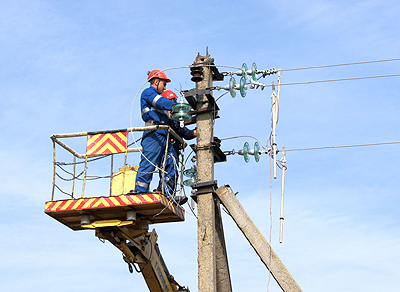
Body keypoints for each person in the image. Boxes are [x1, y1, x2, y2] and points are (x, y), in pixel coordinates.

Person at [133, 70, 175, 195]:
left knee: (170, 163)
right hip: (153, 134)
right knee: (149, 163)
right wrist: (175, 107)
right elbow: (160, 102)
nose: (165, 87)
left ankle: (166, 192)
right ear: (156, 82)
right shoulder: (148, 93)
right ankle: (141, 191)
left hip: (163, 134)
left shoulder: (161, 98)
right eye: (164, 84)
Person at [157, 90, 196, 204]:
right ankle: (167, 194)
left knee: (169, 169)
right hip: (168, 147)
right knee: (170, 169)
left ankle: (163, 191)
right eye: (173, 101)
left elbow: (183, 131)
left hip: (170, 147)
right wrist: (194, 132)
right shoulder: (167, 118)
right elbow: (183, 131)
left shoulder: (169, 118)